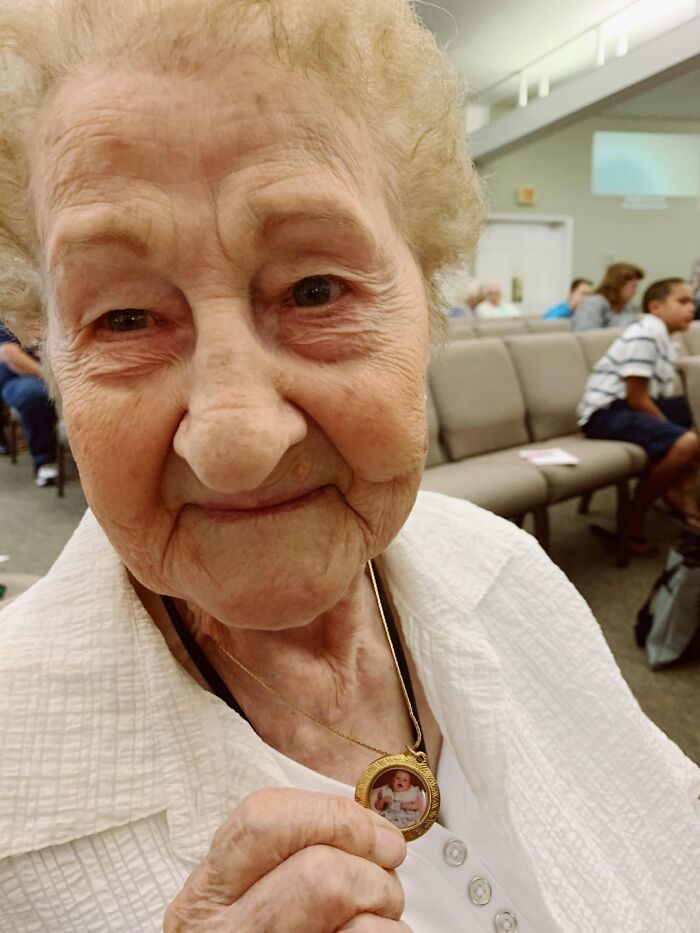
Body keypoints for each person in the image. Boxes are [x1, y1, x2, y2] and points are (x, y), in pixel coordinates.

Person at [0, 1, 698, 931]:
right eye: (124, 317)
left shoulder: (506, 567)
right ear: (46, 350)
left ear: (429, 298)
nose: (236, 443)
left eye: (315, 289)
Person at [578, 278, 698, 552]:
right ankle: (633, 516)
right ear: (655, 307)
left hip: (631, 406)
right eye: (683, 301)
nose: (691, 308)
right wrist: (672, 430)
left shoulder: (664, 337)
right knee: (687, 443)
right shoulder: (645, 334)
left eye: (692, 301)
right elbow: (637, 397)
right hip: (606, 413)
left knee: (696, 406)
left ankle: (680, 488)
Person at [0, 319, 58, 485]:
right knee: (32, 394)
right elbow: (9, 353)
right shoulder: (6, 319)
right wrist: (51, 379)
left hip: (61, 370)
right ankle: (45, 461)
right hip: (21, 376)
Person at [571, 262, 643, 331]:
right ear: (618, 285)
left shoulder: (627, 307)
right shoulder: (594, 303)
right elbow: (585, 335)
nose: (635, 291)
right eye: (633, 286)